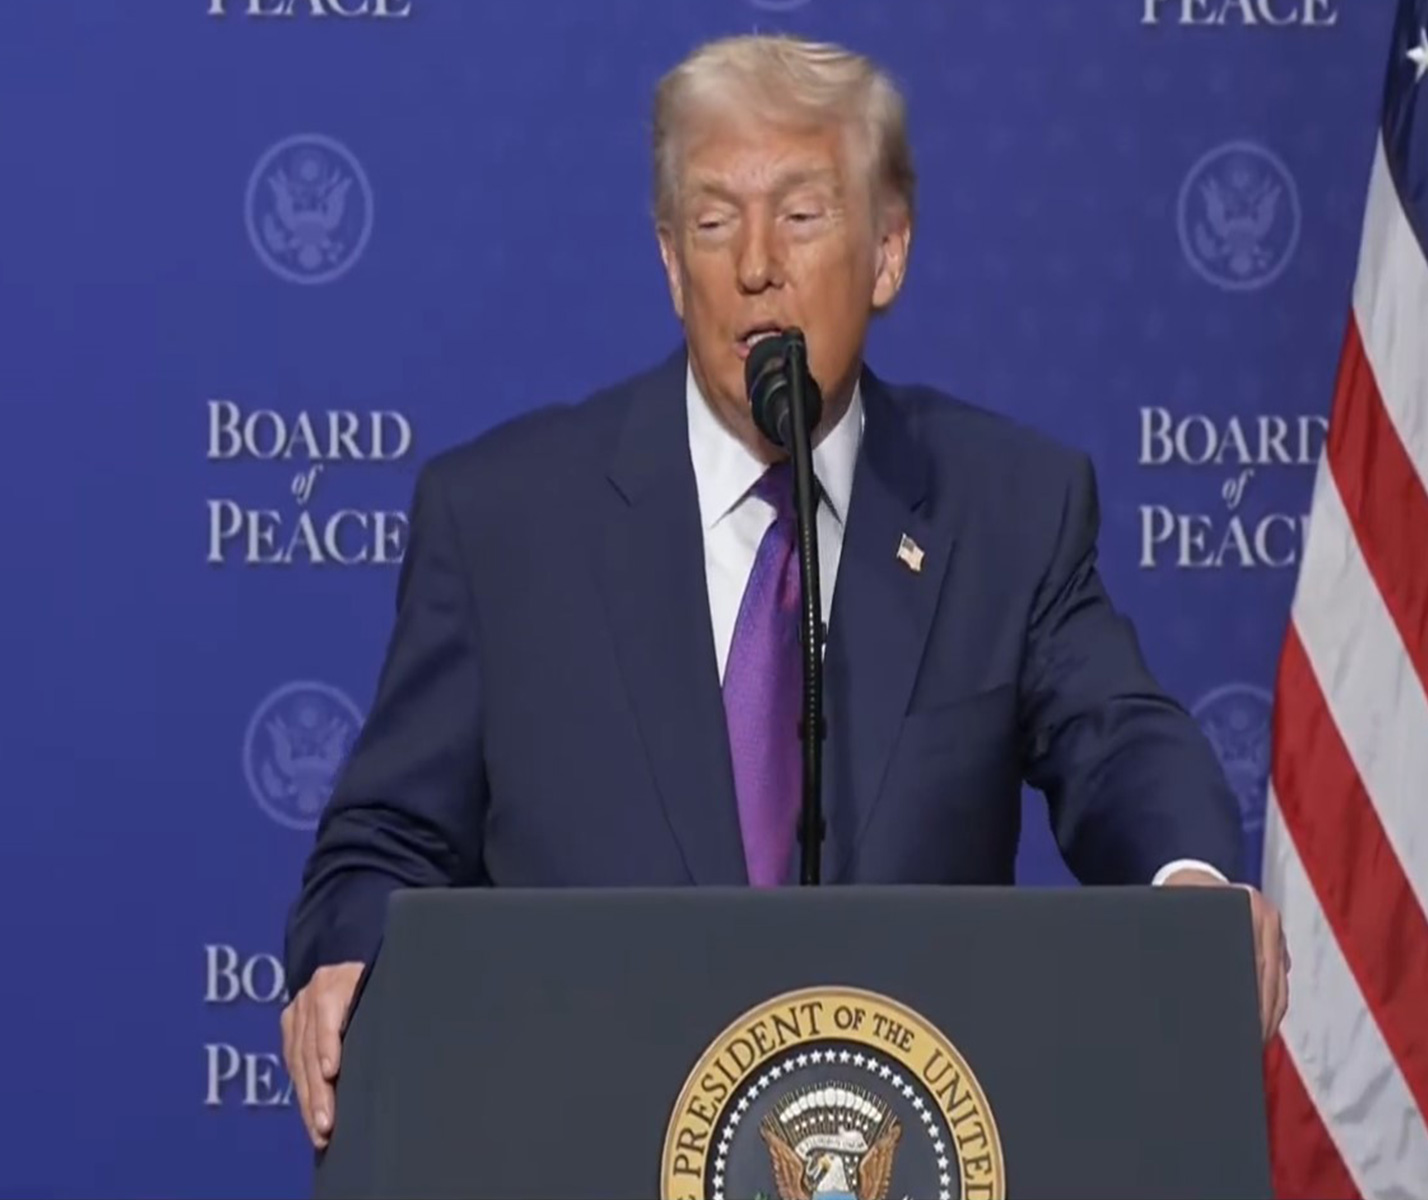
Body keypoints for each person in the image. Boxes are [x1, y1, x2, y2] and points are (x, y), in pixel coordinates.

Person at [279, 31, 1289, 1150]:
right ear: (672, 265)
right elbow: (386, 839)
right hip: (580, 1137)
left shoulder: (1005, 508)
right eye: (713, 223)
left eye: (801, 215)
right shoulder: (504, 521)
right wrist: (354, 960)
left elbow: (1118, 740)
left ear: (888, 253)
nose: (755, 263)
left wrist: (1188, 883)